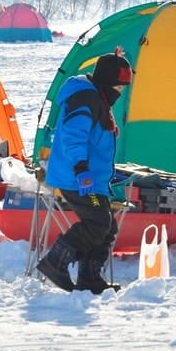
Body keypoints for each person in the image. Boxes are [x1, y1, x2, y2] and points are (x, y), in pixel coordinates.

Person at [36, 49, 133, 294]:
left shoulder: (96, 95)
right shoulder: (85, 98)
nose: (119, 94)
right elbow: (72, 135)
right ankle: (55, 261)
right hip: (78, 179)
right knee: (98, 221)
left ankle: (90, 277)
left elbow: (91, 129)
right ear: (107, 82)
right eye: (119, 88)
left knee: (106, 225)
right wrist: (81, 168)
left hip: (91, 179)